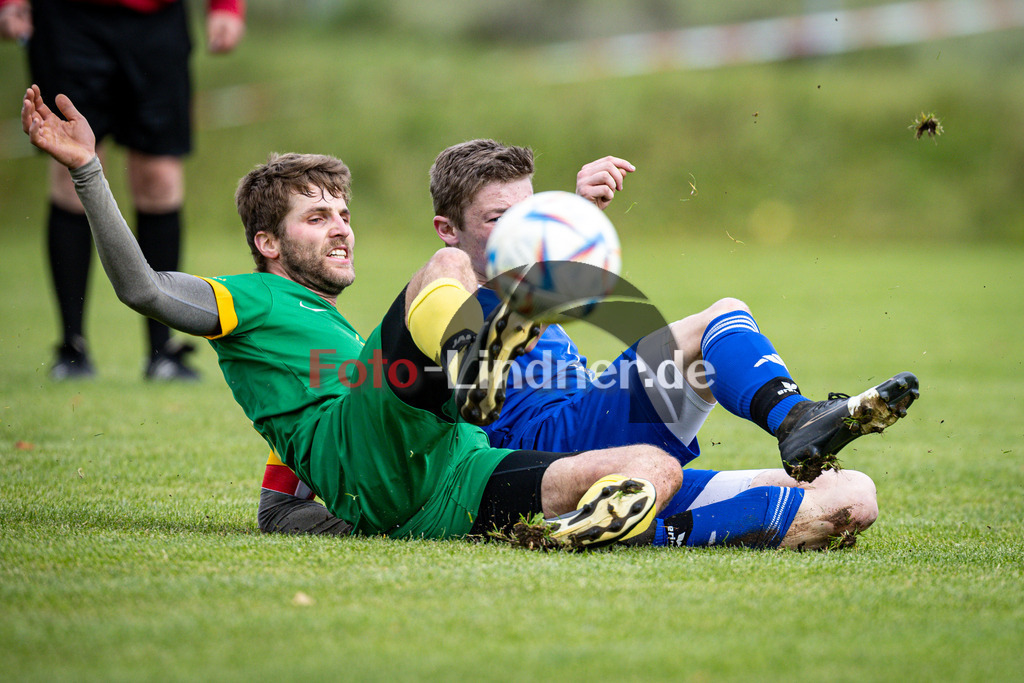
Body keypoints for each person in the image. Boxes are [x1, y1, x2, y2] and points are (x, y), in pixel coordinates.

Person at [22, 84, 682, 549]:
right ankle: (474, 363)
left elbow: (288, 484)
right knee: (445, 268)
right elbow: (143, 289)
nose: (342, 229)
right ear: (268, 244)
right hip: (383, 442)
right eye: (317, 218)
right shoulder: (252, 300)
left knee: (652, 464)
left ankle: (572, 529)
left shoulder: (334, 329)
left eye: (343, 214)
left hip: (446, 476)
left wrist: (569, 212)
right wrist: (88, 171)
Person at [257, 139, 920, 550]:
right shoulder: (443, 299)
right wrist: (292, 500)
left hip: (605, 450)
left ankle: (626, 520)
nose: (519, 233)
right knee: (720, 317)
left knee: (852, 496)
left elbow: (550, 266)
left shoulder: (530, 280)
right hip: (540, 445)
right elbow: (335, 431)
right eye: (498, 220)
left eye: (529, 215)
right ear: (448, 231)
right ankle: (793, 415)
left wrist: (574, 208)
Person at [0, 0, 245, 380]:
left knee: (160, 177)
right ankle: (71, 348)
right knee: (69, 165)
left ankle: (163, 352)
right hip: (68, 20)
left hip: (157, 21)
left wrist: (226, 6)